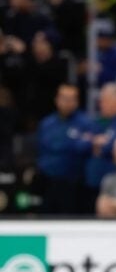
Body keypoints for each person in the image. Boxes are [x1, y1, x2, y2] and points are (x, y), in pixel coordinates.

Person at [36, 84, 92, 214]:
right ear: (57, 100)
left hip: (75, 184)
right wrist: (73, 143)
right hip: (48, 181)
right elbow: (44, 147)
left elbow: (86, 147)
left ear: (77, 101)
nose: (68, 103)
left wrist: (62, 145)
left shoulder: (85, 122)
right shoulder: (47, 123)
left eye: (72, 99)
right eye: (65, 98)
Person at [83, 83, 116, 213]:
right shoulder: (97, 121)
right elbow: (81, 143)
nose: (100, 104)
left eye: (104, 100)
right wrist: (97, 143)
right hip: (91, 182)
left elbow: (113, 146)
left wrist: (98, 145)